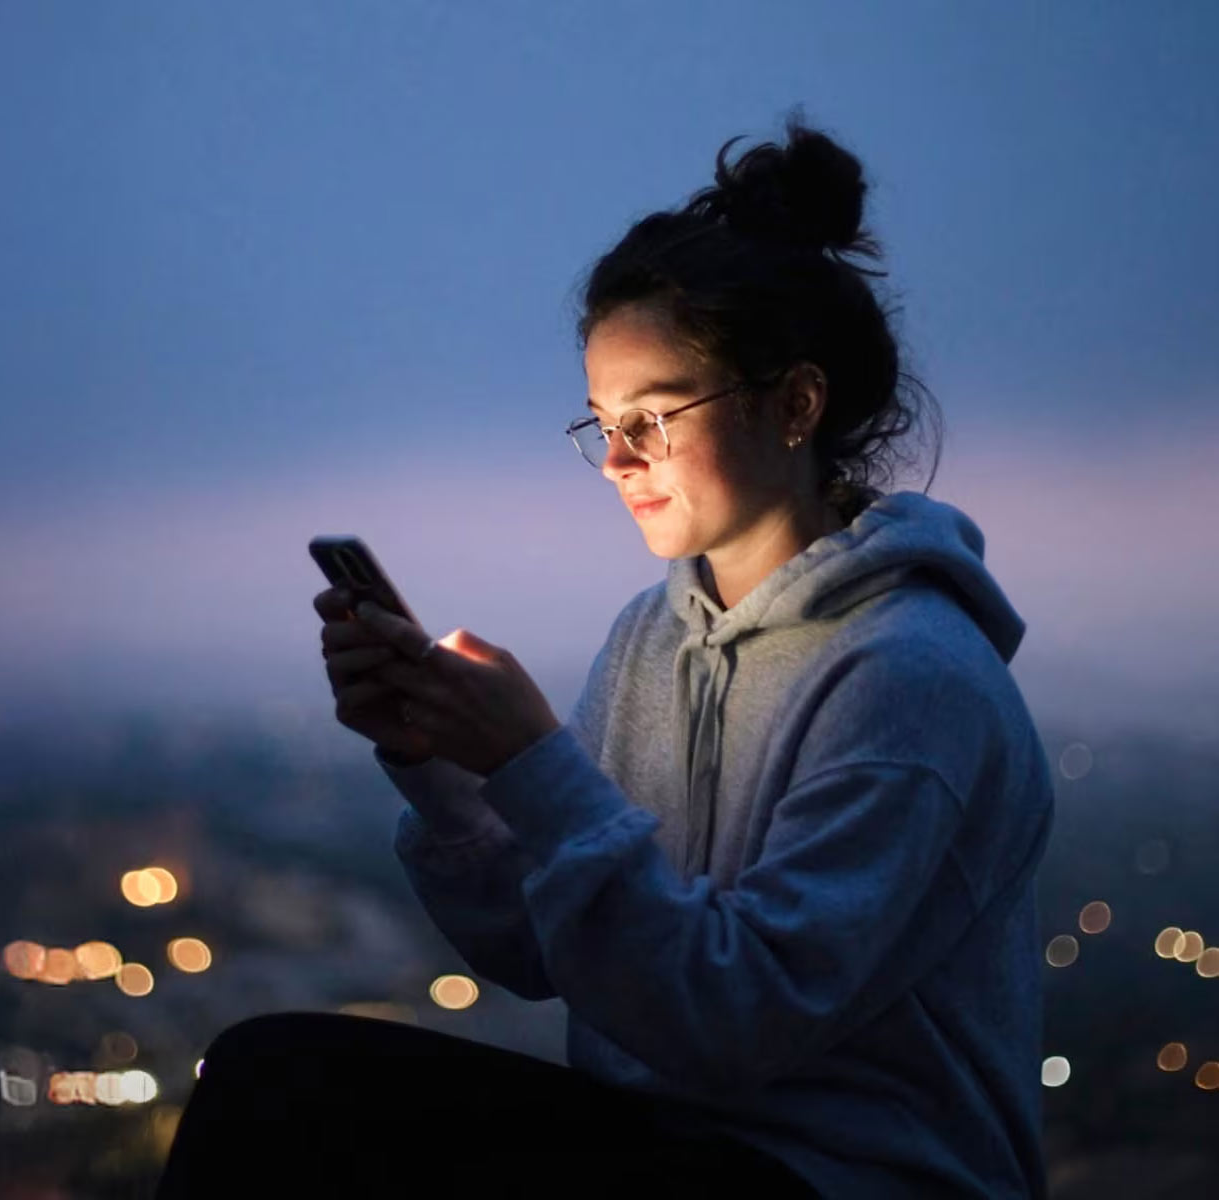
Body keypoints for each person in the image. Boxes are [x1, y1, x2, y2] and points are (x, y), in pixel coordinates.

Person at [156, 117, 1053, 1198]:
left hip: (839, 1176)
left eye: (657, 417)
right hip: (666, 1134)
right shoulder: (651, 637)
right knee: (272, 1072)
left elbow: (736, 1020)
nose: (618, 460)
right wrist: (441, 771)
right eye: (601, 423)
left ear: (797, 405)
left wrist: (534, 760)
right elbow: (541, 953)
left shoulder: (911, 678)